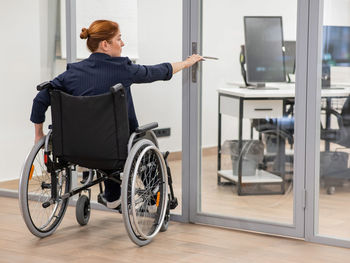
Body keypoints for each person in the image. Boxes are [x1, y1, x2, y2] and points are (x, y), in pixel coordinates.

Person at [30, 19, 203, 209]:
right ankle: (155, 201)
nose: (123, 43)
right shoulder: (123, 69)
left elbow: (40, 100)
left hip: (75, 149)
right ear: (105, 44)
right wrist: (187, 63)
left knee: (104, 141)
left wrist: (39, 134)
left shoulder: (72, 73)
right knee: (143, 140)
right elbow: (158, 71)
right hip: (114, 149)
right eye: (119, 39)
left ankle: (113, 196)